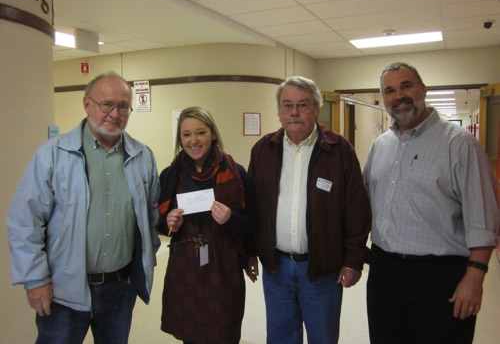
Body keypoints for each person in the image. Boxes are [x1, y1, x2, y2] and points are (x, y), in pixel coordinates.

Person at [7, 72, 161, 344]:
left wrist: (142, 264)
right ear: (87, 104)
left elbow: (149, 218)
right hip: (63, 292)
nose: (115, 113)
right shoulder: (52, 155)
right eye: (107, 104)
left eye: (124, 106)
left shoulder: (142, 156)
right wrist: (35, 280)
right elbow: (25, 223)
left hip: (119, 289)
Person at [364, 62, 500, 344]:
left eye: (406, 86)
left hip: (440, 276)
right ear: (384, 99)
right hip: (384, 272)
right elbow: (366, 204)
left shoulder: (460, 144)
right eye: (390, 90)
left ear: (423, 90)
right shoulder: (380, 146)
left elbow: (483, 217)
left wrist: (475, 277)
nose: (398, 95)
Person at [247, 76, 371, 344]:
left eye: (302, 105)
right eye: (287, 105)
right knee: (280, 338)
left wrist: (353, 261)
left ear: (317, 109)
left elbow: (357, 211)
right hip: (276, 268)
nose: (294, 112)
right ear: (279, 111)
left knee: (323, 338)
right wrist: (249, 252)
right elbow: (251, 207)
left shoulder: (339, 150)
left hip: (322, 269)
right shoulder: (263, 150)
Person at [158, 106, 256, 344]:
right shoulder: (171, 175)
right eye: (186, 134)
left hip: (224, 261)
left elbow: (253, 222)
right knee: (190, 333)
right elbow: (161, 226)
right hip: (185, 262)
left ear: (212, 134)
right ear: (180, 139)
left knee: (224, 331)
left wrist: (230, 219)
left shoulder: (235, 171)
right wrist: (171, 223)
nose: (193, 140)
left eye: (200, 132)